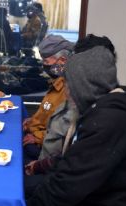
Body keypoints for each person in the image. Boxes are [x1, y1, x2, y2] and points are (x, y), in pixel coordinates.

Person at [26, 45, 126, 206]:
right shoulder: (107, 112)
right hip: (104, 202)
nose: (66, 93)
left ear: (83, 87)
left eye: (69, 86)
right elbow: (74, 163)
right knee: (26, 188)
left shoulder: (108, 123)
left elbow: (67, 187)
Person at [25, 34, 117, 176]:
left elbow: (74, 167)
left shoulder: (98, 117)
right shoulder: (91, 104)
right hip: (53, 167)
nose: (69, 90)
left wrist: (38, 167)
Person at [23, 34, 73, 164]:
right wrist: (32, 121)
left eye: (46, 62)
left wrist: (37, 138)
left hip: (42, 151)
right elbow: (47, 113)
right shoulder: (55, 82)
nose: (44, 66)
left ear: (62, 61)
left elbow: (62, 131)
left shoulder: (67, 89)